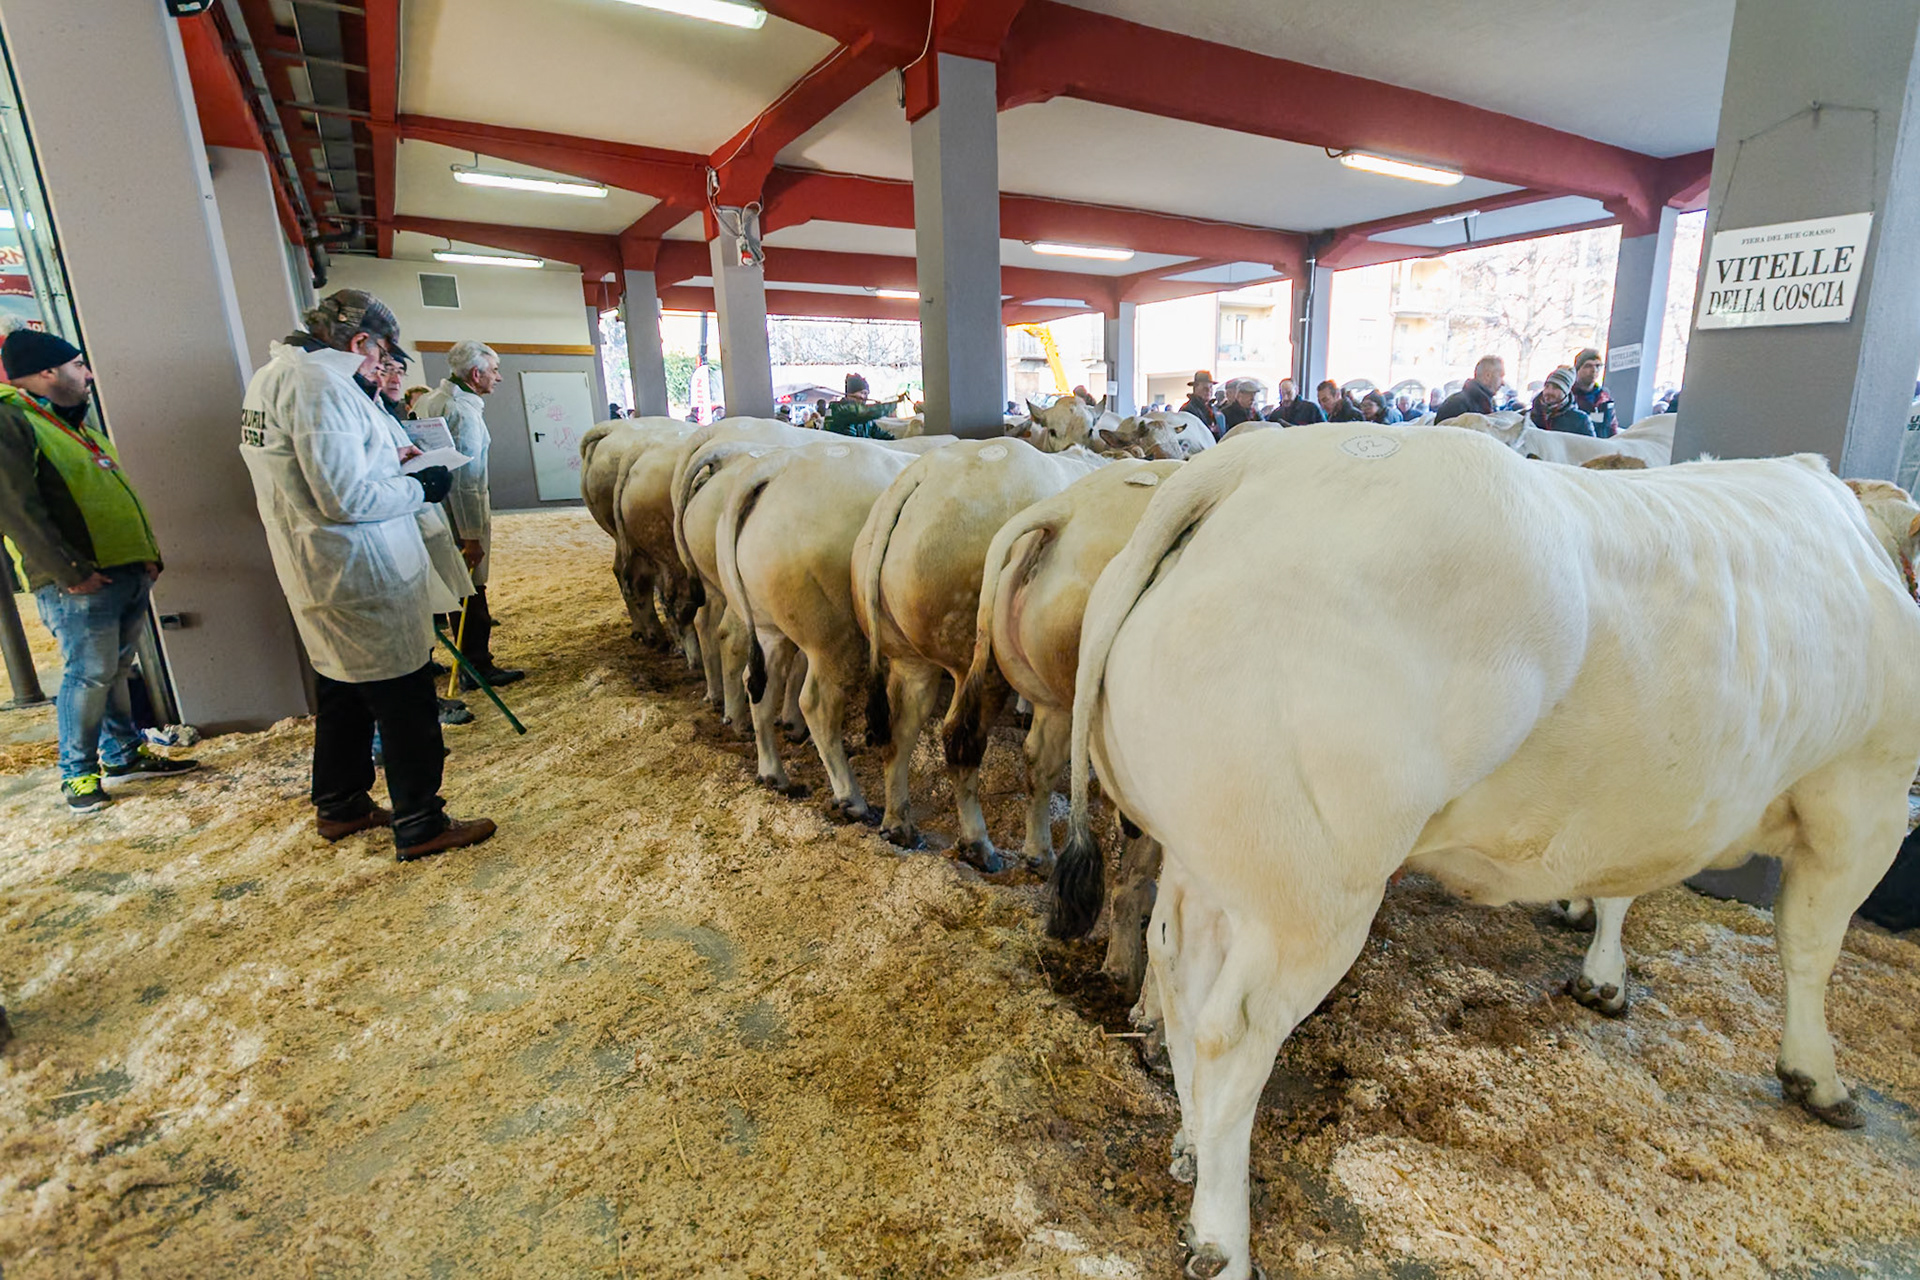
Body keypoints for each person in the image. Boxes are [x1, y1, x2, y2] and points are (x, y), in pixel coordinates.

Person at [239, 289, 495, 861]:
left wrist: (390, 461)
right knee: (406, 702)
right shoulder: (319, 386)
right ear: (361, 343)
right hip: (360, 570)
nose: (385, 364)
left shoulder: (276, 378)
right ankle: (422, 822)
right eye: (382, 353)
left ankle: (341, 803)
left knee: (343, 694)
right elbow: (341, 496)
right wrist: (420, 486)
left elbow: (326, 470)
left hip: (324, 570)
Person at [0, 330, 199, 812]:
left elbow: (108, 491)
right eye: (77, 365)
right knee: (88, 675)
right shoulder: (12, 421)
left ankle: (122, 755)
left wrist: (146, 555)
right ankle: (78, 775)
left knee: (114, 672)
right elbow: (15, 508)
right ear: (47, 372)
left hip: (121, 571)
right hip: (79, 582)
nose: (87, 375)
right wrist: (68, 570)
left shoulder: (70, 424)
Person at [369, 353, 475, 728]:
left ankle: (423, 692)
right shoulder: (365, 414)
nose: (394, 377)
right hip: (394, 527)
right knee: (409, 616)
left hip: (416, 518)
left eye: (399, 370)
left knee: (422, 606)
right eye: (385, 369)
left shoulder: (387, 412)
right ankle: (416, 708)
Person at [415, 341, 524, 692]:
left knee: (451, 585)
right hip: (459, 516)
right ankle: (477, 666)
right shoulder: (463, 413)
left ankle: (465, 663)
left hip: (433, 510)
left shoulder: (430, 400)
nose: (499, 378)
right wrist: (472, 535)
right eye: (494, 371)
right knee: (472, 590)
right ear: (475, 375)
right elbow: (467, 481)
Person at [822, 373, 902, 439]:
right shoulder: (837, 408)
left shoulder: (866, 421)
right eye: (861, 393)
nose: (863, 397)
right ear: (850, 393)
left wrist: (897, 443)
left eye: (866, 394)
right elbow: (863, 412)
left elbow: (878, 434)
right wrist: (892, 405)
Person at [1432, 355, 1505, 421]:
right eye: (1501, 376)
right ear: (1487, 376)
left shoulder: (1487, 404)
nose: (1503, 383)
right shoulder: (1456, 405)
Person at [1528, 366, 1594, 435]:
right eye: (1547, 386)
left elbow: (1591, 445)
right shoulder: (1528, 416)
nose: (1549, 392)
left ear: (1566, 392)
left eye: (1556, 388)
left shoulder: (1580, 420)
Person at [1570, 348, 1618, 438]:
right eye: (1588, 366)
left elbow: (1612, 426)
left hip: (1602, 447)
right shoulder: (1568, 397)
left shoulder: (1605, 398)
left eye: (1598, 366)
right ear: (1577, 369)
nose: (1594, 370)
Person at [1179, 370, 1223, 435]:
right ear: (1195, 388)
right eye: (1205, 388)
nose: (1208, 391)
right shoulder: (1187, 410)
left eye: (1210, 387)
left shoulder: (1214, 409)